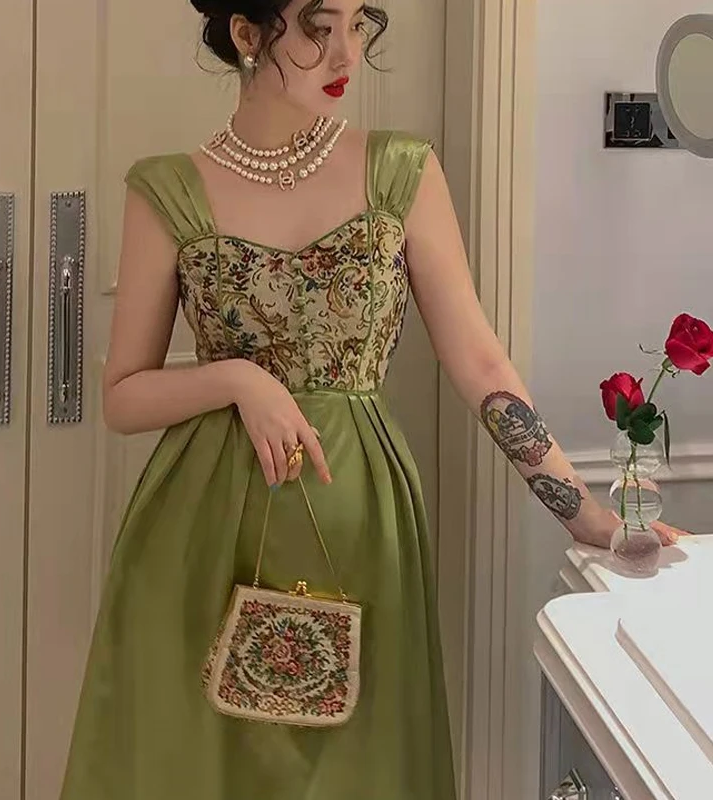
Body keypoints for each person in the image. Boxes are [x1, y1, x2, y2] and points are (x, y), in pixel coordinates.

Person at [58, 1, 685, 798]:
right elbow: (123, 397)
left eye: (359, 24)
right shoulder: (167, 190)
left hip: (357, 513)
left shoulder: (401, 172)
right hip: (201, 528)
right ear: (247, 35)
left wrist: (584, 513)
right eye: (318, 28)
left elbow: (480, 361)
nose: (346, 52)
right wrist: (239, 380)